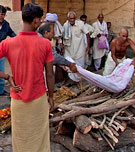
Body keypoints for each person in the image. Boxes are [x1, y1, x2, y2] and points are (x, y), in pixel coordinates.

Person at [0, 3, 54, 152]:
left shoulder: (8, 43)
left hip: (18, 100)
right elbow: (50, 74)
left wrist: (7, 77)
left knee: (21, 140)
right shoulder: (45, 44)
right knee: (40, 140)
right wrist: (51, 97)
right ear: (36, 21)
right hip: (39, 99)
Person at [63, 11, 90, 82]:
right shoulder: (65, 26)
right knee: (68, 65)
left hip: (79, 49)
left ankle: (78, 81)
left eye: (73, 18)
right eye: (70, 18)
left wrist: (88, 46)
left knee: (80, 67)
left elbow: (87, 34)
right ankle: (71, 81)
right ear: (68, 18)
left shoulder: (80, 24)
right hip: (69, 50)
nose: (72, 20)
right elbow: (62, 36)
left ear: (75, 18)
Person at [0, 5, 16, 96]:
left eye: (3, 14)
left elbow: (12, 33)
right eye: (0, 14)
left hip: (1, 52)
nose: (1, 16)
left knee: (1, 72)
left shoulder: (6, 24)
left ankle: (1, 91)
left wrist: (19, 40)